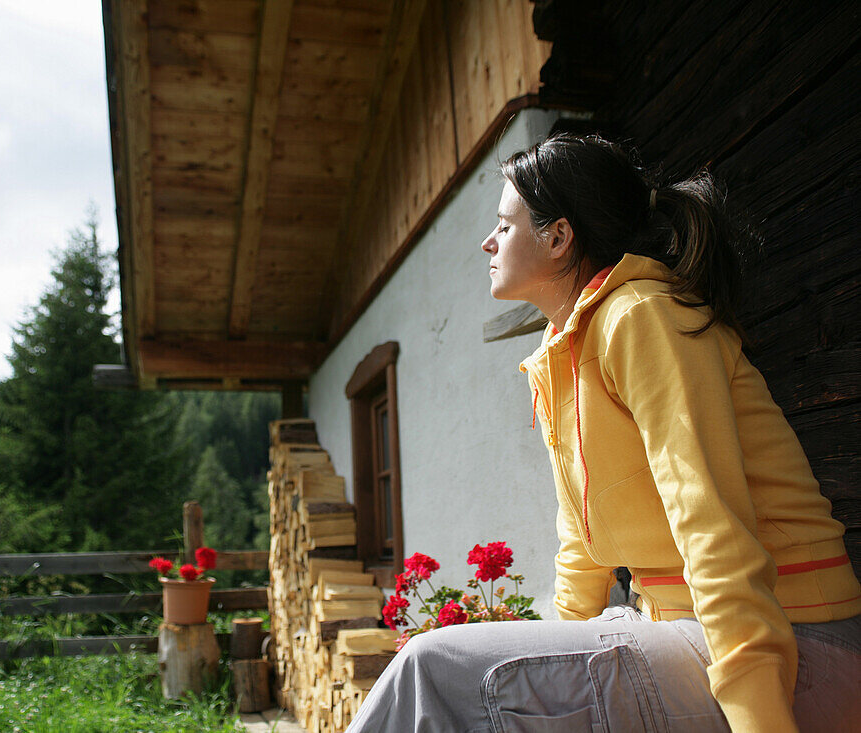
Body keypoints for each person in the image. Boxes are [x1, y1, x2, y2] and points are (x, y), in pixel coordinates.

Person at [345, 134, 861, 732]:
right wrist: (555, 638)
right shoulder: (564, 351)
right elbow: (579, 545)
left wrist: (762, 721)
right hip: (679, 625)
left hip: (796, 642)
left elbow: (714, 529)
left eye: (505, 227)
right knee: (446, 671)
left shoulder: (642, 315)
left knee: (429, 671)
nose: (487, 242)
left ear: (559, 236)